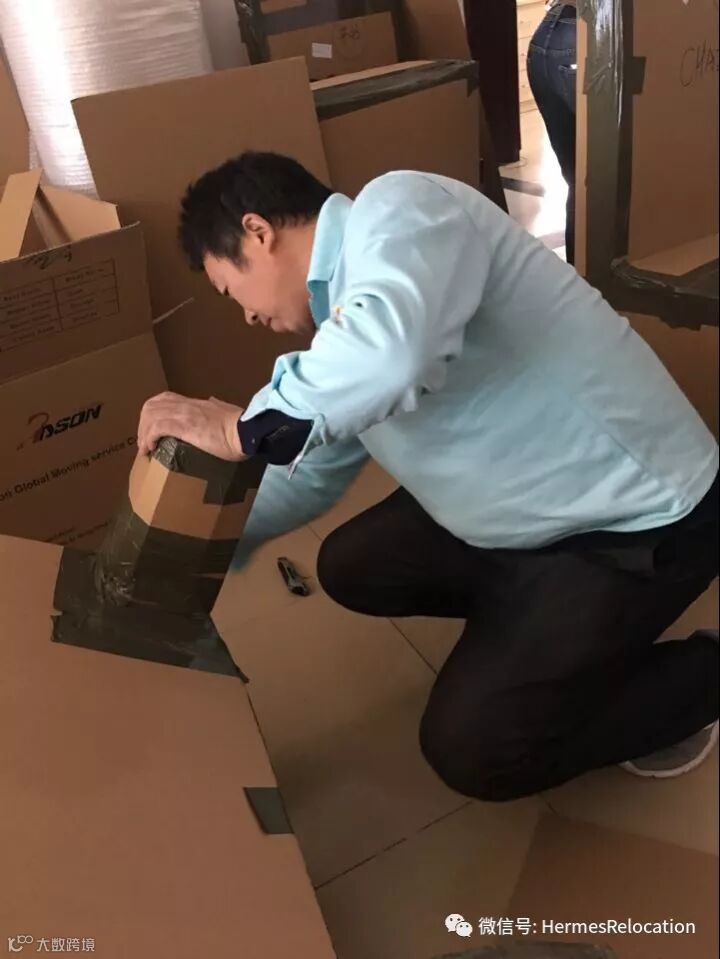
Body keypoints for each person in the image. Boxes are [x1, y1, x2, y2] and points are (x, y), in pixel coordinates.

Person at [138, 152, 719, 801]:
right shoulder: (346, 333)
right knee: (351, 565)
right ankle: (549, 641)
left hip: (638, 523)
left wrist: (238, 430)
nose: (246, 316)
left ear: (257, 231)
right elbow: (304, 474)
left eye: (230, 290)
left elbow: (394, 357)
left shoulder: (402, 209)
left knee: (476, 750)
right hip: (530, 511)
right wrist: (190, 548)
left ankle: (697, 676)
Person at [527, 0, 577, 263]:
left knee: (580, 179)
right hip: (584, 35)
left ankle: (580, 274)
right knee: (602, 179)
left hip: (548, 32)